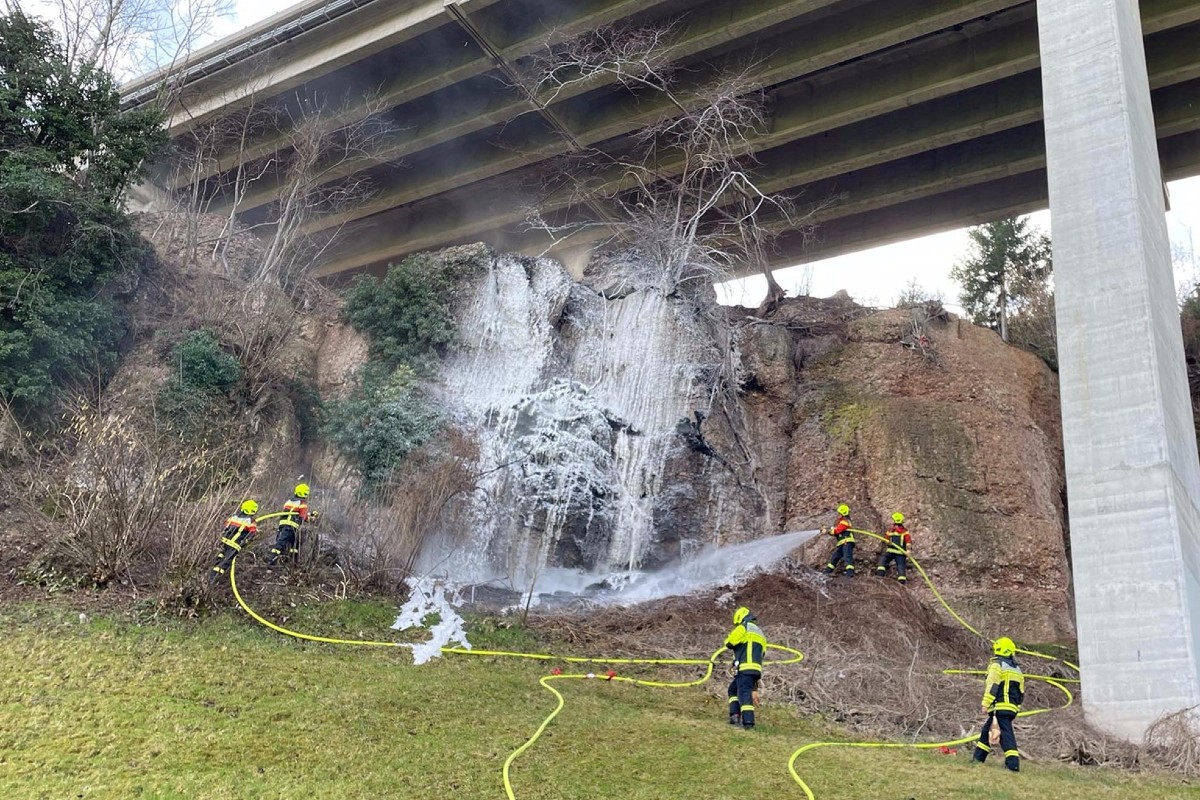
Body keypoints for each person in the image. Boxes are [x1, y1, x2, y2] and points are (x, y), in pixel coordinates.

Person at [973, 636, 1025, 772]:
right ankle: (978, 759)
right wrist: (1017, 707)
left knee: (1005, 735)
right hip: (1011, 707)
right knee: (986, 732)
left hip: (1000, 706)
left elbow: (992, 686)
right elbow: (1021, 691)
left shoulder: (997, 665)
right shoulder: (1017, 669)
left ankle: (1013, 763)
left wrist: (986, 703)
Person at [724, 606, 768, 729]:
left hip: (745, 667)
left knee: (744, 693)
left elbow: (730, 642)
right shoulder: (759, 632)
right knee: (733, 689)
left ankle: (748, 723)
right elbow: (762, 652)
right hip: (756, 669)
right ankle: (735, 716)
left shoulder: (743, 627)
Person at [211, 500, 259, 581]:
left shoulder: (233, 517)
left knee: (220, 557)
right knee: (225, 562)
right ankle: (213, 580)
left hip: (224, 542)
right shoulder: (250, 521)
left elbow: (225, 526)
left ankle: (211, 572)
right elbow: (252, 533)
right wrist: (245, 542)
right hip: (234, 545)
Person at [268, 483, 313, 566]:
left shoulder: (289, 501)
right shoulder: (302, 503)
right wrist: (310, 518)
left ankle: (290, 562)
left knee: (293, 544)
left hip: (283, 525)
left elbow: (293, 512)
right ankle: (271, 562)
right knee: (282, 544)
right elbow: (303, 517)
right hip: (291, 527)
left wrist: (308, 514)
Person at [875, 511, 911, 583]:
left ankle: (901, 583)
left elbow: (908, 542)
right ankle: (879, 577)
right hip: (890, 551)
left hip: (900, 553)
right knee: (882, 561)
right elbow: (886, 538)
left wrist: (908, 551)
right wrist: (887, 542)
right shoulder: (891, 531)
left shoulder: (904, 532)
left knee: (901, 567)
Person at [822, 503, 855, 577]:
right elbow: (836, 531)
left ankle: (850, 573)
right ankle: (827, 572)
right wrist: (829, 530)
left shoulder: (845, 521)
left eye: (839, 513)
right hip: (842, 543)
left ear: (843, 513)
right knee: (835, 557)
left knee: (847, 557)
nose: (838, 515)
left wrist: (828, 531)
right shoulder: (842, 522)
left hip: (847, 542)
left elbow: (837, 531)